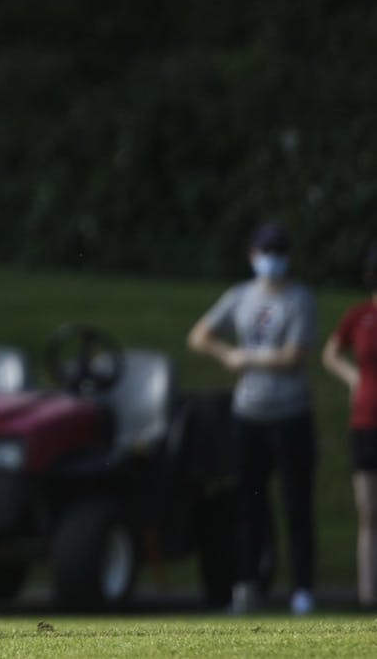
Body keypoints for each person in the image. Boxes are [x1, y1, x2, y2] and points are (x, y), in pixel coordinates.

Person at [187, 219, 318, 616]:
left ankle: (302, 591)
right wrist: (228, 355)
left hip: (290, 415)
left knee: (296, 504)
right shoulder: (240, 296)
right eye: (265, 252)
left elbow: (294, 355)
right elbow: (199, 335)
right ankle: (247, 585)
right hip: (249, 414)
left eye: (278, 252)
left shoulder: (299, 299)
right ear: (252, 255)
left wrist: (249, 358)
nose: (271, 259)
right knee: (248, 504)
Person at [321, 240, 377, 610]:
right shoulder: (359, 316)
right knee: (368, 513)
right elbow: (331, 353)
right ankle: (368, 595)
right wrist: (353, 378)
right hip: (366, 422)